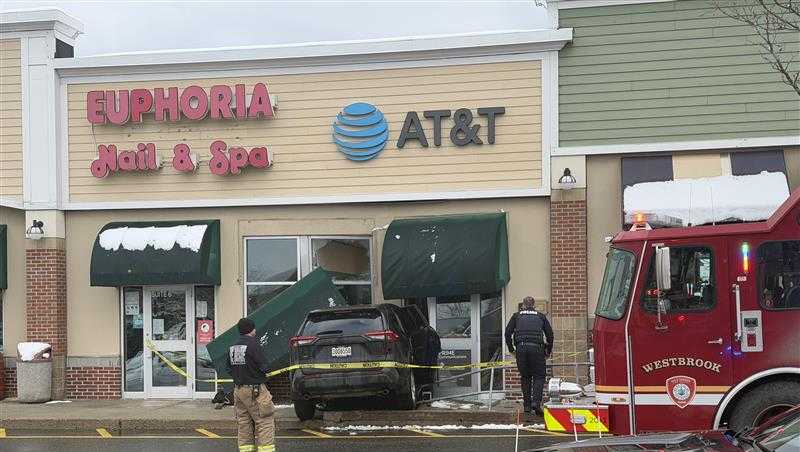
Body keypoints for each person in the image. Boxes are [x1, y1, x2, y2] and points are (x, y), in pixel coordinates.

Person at [227, 318, 276, 452]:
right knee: (264, 420)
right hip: (255, 390)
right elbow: (264, 367)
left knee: (244, 422)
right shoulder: (254, 345)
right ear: (251, 329)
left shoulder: (233, 347)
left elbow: (228, 368)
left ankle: (246, 449)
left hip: (238, 390)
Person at [504, 296, 554, 416]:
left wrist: (512, 350)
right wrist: (548, 351)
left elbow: (507, 333)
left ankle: (527, 406)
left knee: (525, 377)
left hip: (521, 349)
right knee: (539, 376)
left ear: (523, 305)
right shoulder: (540, 316)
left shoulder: (516, 316)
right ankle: (536, 403)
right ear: (534, 305)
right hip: (537, 349)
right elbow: (550, 335)